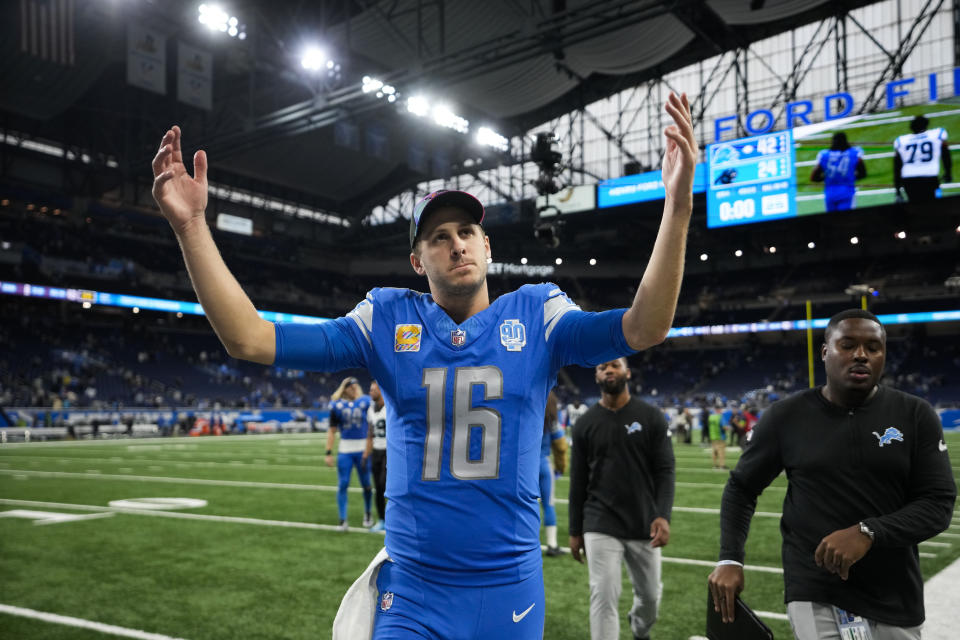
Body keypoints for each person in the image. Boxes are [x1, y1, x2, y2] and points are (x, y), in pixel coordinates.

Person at [150, 90, 697, 639]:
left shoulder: (539, 313)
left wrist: (677, 206)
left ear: (487, 246)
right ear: (417, 261)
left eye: (466, 233)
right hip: (413, 589)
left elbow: (644, 326)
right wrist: (191, 227)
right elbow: (250, 338)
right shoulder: (385, 319)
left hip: (508, 587)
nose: (456, 246)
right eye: (439, 238)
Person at [708, 309, 956, 639]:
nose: (861, 355)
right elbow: (741, 487)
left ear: (884, 354)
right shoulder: (787, 416)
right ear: (826, 352)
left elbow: (938, 503)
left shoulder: (915, 414)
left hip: (895, 591)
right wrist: (730, 560)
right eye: (848, 345)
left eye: (873, 347)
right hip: (815, 588)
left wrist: (869, 532)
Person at [568, 357, 676, 640]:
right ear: (596, 377)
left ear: (627, 372)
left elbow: (665, 470)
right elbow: (577, 482)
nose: (608, 370)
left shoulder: (651, 416)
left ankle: (640, 630)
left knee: (650, 598)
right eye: (602, 367)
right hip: (599, 520)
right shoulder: (584, 425)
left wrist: (663, 514)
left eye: (614, 365)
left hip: (644, 521)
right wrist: (574, 531)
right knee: (602, 596)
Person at [326, 377, 374, 530]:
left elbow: (372, 425)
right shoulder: (336, 404)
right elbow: (332, 430)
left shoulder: (366, 401)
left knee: (366, 484)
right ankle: (342, 520)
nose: (354, 388)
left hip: (362, 449)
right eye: (350, 386)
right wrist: (328, 452)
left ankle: (368, 512)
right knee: (343, 484)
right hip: (345, 449)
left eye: (355, 385)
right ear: (344, 388)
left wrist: (370, 447)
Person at [893, 114, 952, 203]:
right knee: (934, 206)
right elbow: (945, 155)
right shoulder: (937, 134)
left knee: (916, 206)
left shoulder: (901, 140)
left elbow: (897, 167)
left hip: (909, 179)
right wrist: (948, 172)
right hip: (929, 176)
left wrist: (897, 191)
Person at [810, 132, 866, 211]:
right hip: (847, 193)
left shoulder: (824, 155)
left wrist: (826, 179)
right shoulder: (854, 153)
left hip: (830, 194)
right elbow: (863, 173)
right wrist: (850, 178)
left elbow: (813, 177)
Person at [540, 390, 566, 556]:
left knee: (524, 506)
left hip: (522, 466)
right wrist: (560, 467)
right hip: (543, 463)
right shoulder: (551, 415)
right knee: (548, 505)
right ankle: (552, 544)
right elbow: (561, 444)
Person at [365, 379, 388, 532]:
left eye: (373, 390)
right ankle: (382, 520)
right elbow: (370, 433)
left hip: (389, 451)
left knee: (385, 485)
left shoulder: (389, 407)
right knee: (378, 488)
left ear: (380, 390)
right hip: (376, 452)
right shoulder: (370, 410)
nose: (371, 392)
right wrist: (366, 453)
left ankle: (394, 519)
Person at [708, 405, 727, 469]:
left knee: (714, 451)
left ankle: (715, 465)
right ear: (719, 409)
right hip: (720, 436)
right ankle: (722, 465)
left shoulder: (711, 417)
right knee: (721, 452)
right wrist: (729, 428)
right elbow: (724, 427)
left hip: (712, 436)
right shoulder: (720, 417)